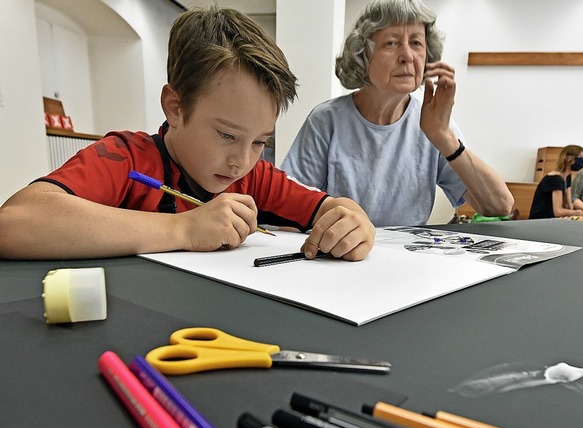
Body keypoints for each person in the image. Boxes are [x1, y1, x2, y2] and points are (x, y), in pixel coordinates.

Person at [0, 7, 375, 260]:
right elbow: (13, 224)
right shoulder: (124, 158)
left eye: (261, 141)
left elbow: (329, 207)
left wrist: (352, 221)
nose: (241, 161)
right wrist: (182, 229)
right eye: (227, 135)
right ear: (175, 108)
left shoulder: (252, 178)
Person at [281, 0, 513, 227]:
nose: (407, 56)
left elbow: (500, 205)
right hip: (340, 255)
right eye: (391, 43)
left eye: (416, 43)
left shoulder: (433, 124)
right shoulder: (326, 121)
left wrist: (443, 136)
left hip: (408, 258)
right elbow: (286, 211)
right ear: (362, 56)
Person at [529, 145, 583, 220]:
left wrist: (575, 213)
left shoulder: (567, 176)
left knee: (581, 219)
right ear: (569, 159)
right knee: (582, 220)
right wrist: (576, 213)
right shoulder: (555, 179)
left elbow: (569, 204)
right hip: (543, 219)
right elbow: (558, 211)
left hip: (554, 218)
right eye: (580, 158)